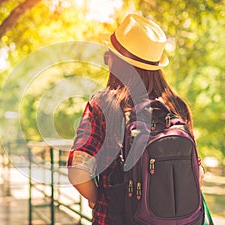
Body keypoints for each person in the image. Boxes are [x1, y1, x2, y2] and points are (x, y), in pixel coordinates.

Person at [67, 13, 204, 224]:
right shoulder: (176, 106)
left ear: (116, 61)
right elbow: (198, 173)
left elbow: (78, 171)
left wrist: (97, 200)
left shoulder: (103, 104)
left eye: (108, 56)